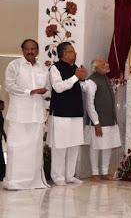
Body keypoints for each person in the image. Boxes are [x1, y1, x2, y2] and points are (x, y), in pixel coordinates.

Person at [3, 39, 50, 190]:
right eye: (27, 49)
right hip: (19, 114)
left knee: (34, 149)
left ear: (37, 50)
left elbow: (48, 86)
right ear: (22, 50)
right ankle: (14, 182)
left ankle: (33, 182)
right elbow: (9, 86)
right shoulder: (14, 65)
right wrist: (29, 91)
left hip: (37, 114)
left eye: (33, 49)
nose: (30, 51)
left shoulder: (43, 67)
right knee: (16, 148)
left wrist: (44, 91)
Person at [47, 42, 87, 186]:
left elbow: (80, 87)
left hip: (76, 112)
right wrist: (76, 77)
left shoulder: (75, 68)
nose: (75, 54)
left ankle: (70, 175)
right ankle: (58, 176)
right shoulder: (55, 68)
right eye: (72, 51)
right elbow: (58, 88)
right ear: (64, 54)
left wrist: (83, 80)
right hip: (60, 113)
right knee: (60, 146)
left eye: (74, 51)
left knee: (74, 145)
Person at [85, 58, 121, 181]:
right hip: (98, 121)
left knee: (108, 145)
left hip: (110, 120)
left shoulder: (106, 79)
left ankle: (104, 172)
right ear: (96, 68)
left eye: (106, 62)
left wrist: (117, 85)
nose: (107, 64)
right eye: (103, 64)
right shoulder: (91, 81)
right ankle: (95, 173)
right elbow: (90, 104)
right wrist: (96, 123)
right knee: (95, 146)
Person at [0, 100, 7, 181]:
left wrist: (4, 135)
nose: (3, 106)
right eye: (2, 105)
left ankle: (2, 175)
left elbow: (1, 127)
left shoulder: (1, 114)